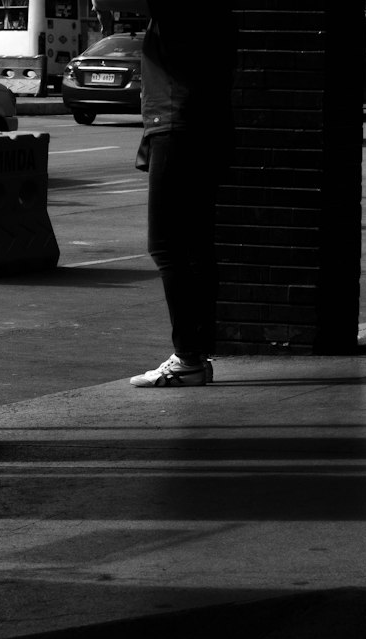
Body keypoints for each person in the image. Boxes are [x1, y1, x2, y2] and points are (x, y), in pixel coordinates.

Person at [91, 0, 238, 388]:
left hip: (178, 125)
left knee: (168, 246)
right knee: (195, 245)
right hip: (199, 125)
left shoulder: (181, 9)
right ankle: (197, 354)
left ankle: (189, 356)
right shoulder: (214, 13)